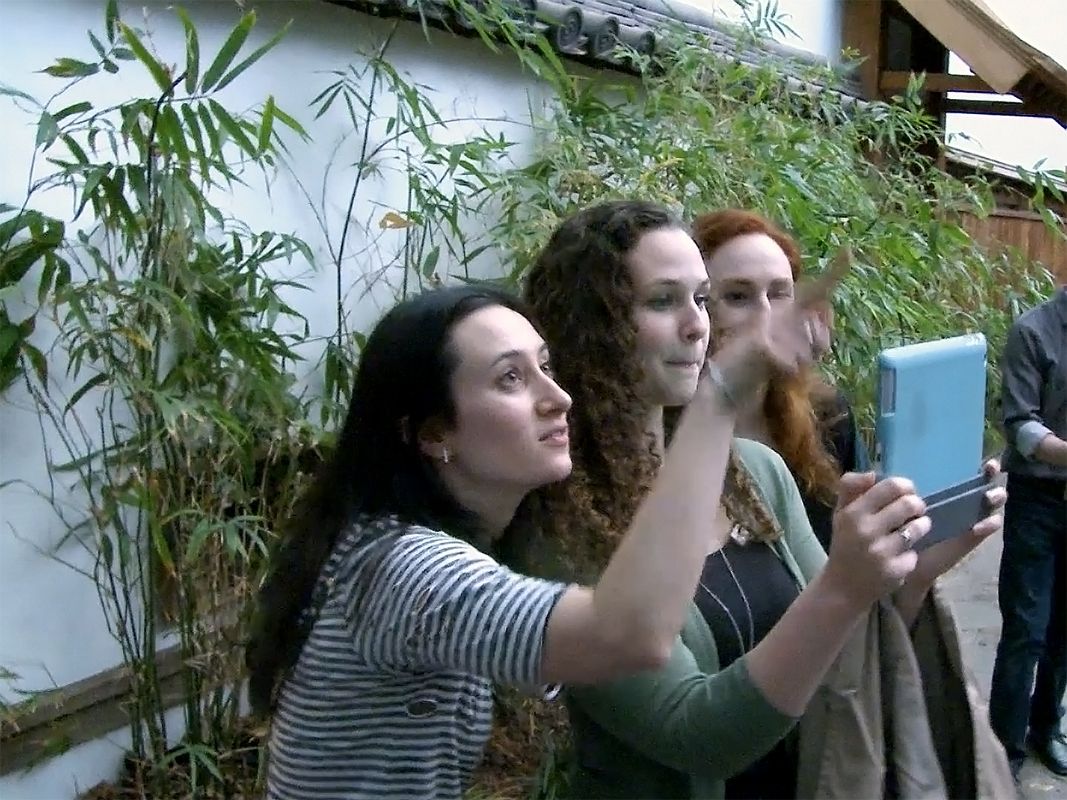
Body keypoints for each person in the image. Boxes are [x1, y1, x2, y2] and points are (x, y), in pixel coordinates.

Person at [245, 282, 828, 800]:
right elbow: (630, 636)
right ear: (432, 433)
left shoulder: (420, 542)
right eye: (511, 379)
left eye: (546, 366)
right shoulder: (405, 570)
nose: (559, 398)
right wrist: (719, 396)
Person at [521, 200, 1009, 799]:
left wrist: (909, 566)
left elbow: (834, 653)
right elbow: (698, 735)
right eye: (661, 301)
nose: (696, 324)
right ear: (589, 326)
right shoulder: (562, 524)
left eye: (700, 298)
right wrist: (841, 587)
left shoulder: (754, 472)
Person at [691, 208, 869, 551]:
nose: (766, 315)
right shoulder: (669, 437)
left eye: (779, 293)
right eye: (737, 296)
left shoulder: (829, 417)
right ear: (699, 309)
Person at [989, 283, 1067, 780]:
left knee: (1064, 631)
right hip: (1037, 502)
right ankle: (1003, 748)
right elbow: (1019, 424)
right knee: (1026, 631)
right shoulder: (1033, 332)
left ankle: (1046, 730)